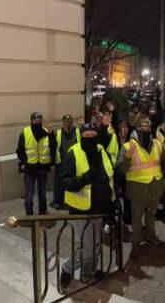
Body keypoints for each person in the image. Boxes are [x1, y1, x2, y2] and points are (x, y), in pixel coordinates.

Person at [59, 123, 115, 288]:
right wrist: (84, 178)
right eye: (86, 136)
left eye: (93, 136)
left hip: (99, 207)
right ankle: (80, 274)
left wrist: (112, 201)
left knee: (94, 244)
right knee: (88, 248)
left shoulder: (101, 150)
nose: (90, 139)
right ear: (81, 136)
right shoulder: (73, 153)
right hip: (81, 210)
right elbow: (65, 182)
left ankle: (87, 271)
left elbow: (108, 176)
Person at [116, 119, 165, 249]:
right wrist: (127, 157)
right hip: (137, 190)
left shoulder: (158, 144)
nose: (145, 131)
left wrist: (161, 181)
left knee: (151, 215)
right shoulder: (128, 146)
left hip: (155, 188)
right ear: (136, 129)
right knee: (137, 218)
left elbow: (164, 164)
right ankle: (135, 242)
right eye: (142, 129)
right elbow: (120, 170)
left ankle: (151, 237)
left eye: (147, 129)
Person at [16, 112, 56, 215]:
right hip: (30, 169)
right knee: (29, 194)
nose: (37, 123)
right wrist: (23, 163)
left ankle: (43, 212)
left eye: (39, 121)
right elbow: (20, 150)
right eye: (35, 121)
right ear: (31, 121)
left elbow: (53, 147)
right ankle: (29, 215)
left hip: (43, 168)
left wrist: (51, 134)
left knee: (42, 193)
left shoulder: (47, 132)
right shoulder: (25, 133)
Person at [51, 114, 80, 210]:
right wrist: (53, 163)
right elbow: (53, 148)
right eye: (67, 121)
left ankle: (71, 203)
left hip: (74, 163)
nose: (69, 123)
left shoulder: (77, 132)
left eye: (70, 121)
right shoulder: (58, 133)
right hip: (61, 163)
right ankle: (58, 202)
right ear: (63, 123)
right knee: (59, 184)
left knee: (72, 183)